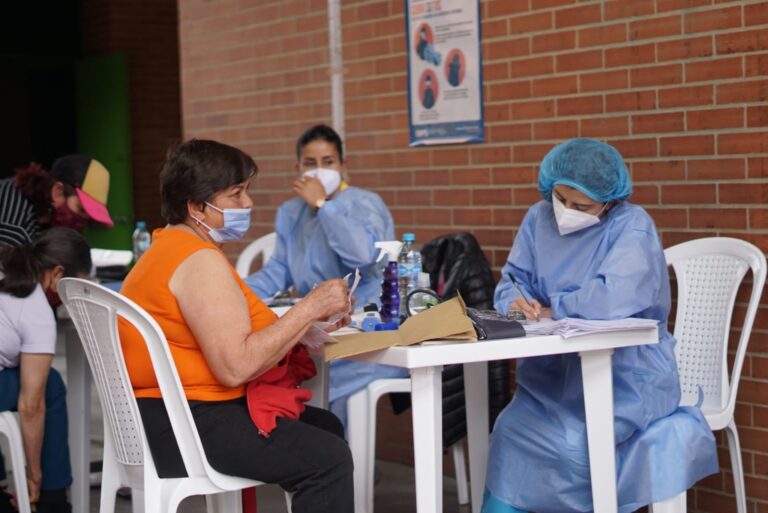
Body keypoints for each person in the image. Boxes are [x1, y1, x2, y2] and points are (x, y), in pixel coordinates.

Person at [483, 138, 718, 513]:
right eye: (560, 199)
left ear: (610, 202)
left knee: (574, 442)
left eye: (582, 206)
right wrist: (515, 301)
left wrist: (552, 308)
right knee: (510, 429)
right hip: (548, 378)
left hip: (626, 376)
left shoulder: (632, 226)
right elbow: (512, 281)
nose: (567, 212)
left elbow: (615, 297)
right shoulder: (537, 218)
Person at [118, 139, 354, 513]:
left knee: (324, 427)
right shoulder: (198, 261)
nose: (248, 205)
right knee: (328, 458)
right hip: (188, 425)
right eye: (236, 194)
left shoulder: (169, 247)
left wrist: (300, 326)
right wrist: (309, 307)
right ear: (196, 207)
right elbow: (235, 367)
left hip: (159, 418)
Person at [245, 124, 407, 428]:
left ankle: (343, 466)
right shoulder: (291, 211)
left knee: (321, 388)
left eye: (328, 162)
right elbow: (279, 270)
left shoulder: (363, 203)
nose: (319, 171)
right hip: (316, 333)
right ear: (298, 168)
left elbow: (363, 255)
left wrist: (323, 205)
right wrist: (234, 291)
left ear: (344, 166)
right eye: (310, 163)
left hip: (365, 333)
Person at [0, 227, 92, 513]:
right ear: (58, 273)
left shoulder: (8, 263)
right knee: (47, 386)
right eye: (77, 285)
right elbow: (30, 407)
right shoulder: (37, 311)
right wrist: (34, 474)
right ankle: (52, 498)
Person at [0, 156, 113, 247]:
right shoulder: (12, 206)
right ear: (58, 191)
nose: (82, 221)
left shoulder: (46, 220)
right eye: (81, 209)